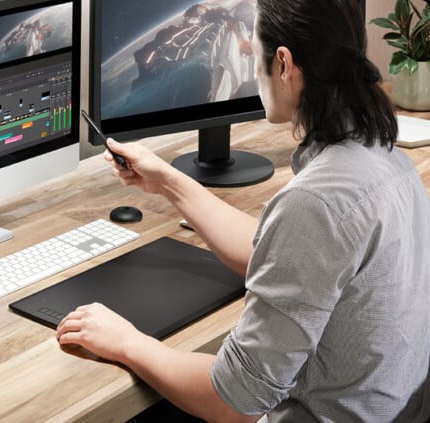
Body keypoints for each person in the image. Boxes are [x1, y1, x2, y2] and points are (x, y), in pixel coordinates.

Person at [56, 0, 430, 421]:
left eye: (255, 47)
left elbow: (233, 402)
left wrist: (126, 341)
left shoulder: (315, 203)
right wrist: (166, 181)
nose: (250, 59)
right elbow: (278, 259)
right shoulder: (384, 157)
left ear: (284, 64)